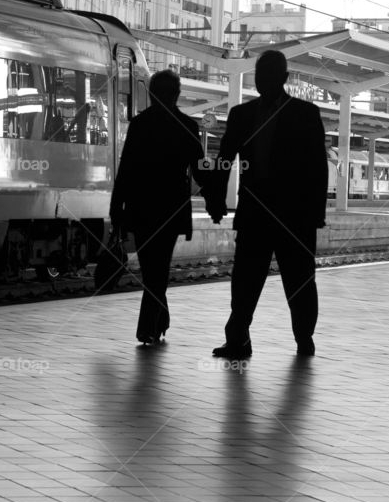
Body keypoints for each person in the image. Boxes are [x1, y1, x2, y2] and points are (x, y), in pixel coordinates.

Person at [207, 49, 328, 359]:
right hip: (259, 213)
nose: (263, 81)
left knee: (298, 281)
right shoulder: (242, 115)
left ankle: (303, 338)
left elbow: (317, 167)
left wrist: (316, 213)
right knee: (245, 281)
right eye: (260, 76)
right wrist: (216, 198)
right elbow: (224, 159)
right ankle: (238, 340)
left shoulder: (305, 114)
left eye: (268, 75)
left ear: (283, 78)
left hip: (293, 216)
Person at [110, 69, 215, 345]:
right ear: (176, 94)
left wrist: (116, 207)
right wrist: (214, 199)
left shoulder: (139, 125)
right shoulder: (187, 126)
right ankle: (158, 320)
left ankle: (149, 326)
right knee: (159, 267)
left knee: (151, 269)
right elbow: (200, 170)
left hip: (141, 206)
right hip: (171, 207)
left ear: (151, 93)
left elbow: (126, 170)